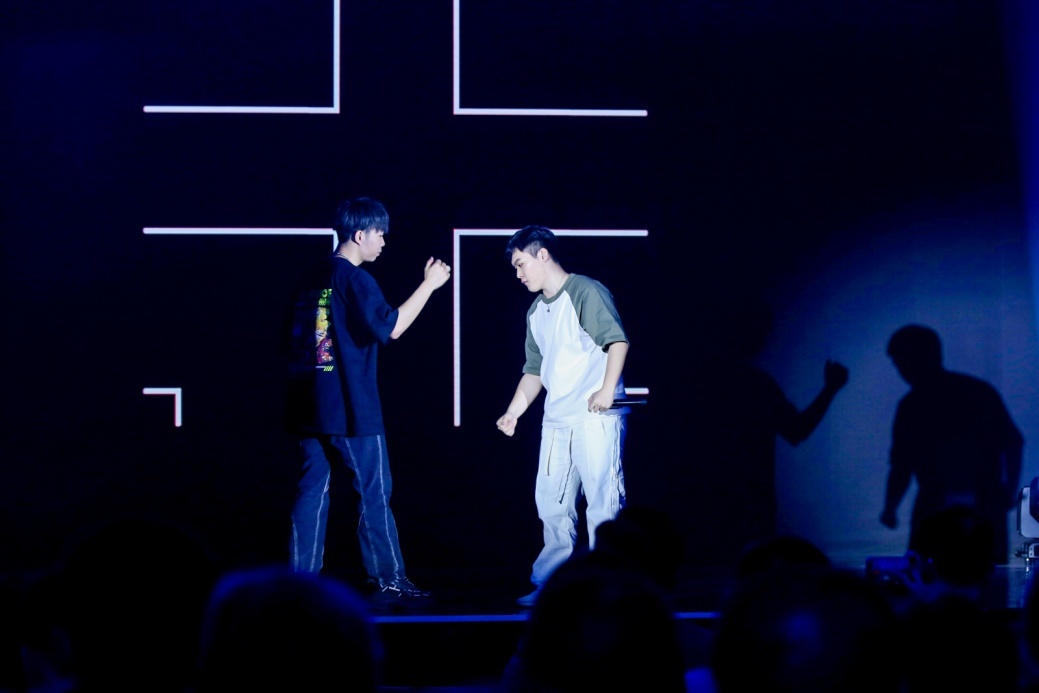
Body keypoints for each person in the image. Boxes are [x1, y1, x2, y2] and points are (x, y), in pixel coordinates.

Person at [286, 196, 450, 599]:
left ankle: (299, 582)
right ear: (360, 235)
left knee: (311, 493)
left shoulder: (312, 274)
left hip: (311, 405)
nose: (383, 242)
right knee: (374, 493)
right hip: (351, 408)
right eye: (380, 234)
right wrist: (429, 285)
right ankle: (389, 577)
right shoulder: (355, 279)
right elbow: (392, 327)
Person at [495, 225, 629, 607]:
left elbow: (617, 341)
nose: (518, 274)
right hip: (556, 419)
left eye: (521, 264)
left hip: (594, 417)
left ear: (542, 255)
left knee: (603, 502)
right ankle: (551, 585)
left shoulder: (585, 291)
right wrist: (514, 412)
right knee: (552, 504)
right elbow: (534, 370)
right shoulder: (536, 311)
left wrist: (607, 389)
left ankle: (609, 584)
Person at [879, 324, 1024, 564]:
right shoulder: (977, 392)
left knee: (929, 572)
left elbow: (901, 466)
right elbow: (1012, 443)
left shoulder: (911, 407)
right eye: (899, 363)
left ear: (925, 356)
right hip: (982, 504)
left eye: (903, 361)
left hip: (941, 504)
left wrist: (890, 508)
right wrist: (1008, 492)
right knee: (985, 573)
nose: (901, 369)